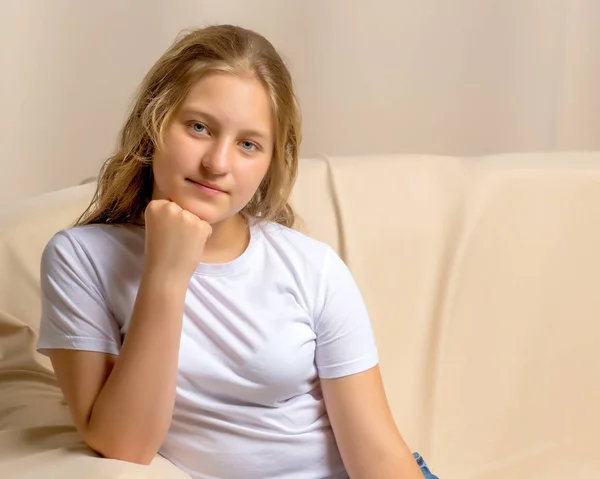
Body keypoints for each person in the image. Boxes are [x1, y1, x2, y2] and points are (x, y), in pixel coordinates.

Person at [37, 25, 438, 479]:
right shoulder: (80, 259)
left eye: (248, 144)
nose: (218, 163)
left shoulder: (312, 267)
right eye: (199, 127)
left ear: (269, 163)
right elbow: (123, 445)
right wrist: (166, 276)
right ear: (154, 125)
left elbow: (380, 455)